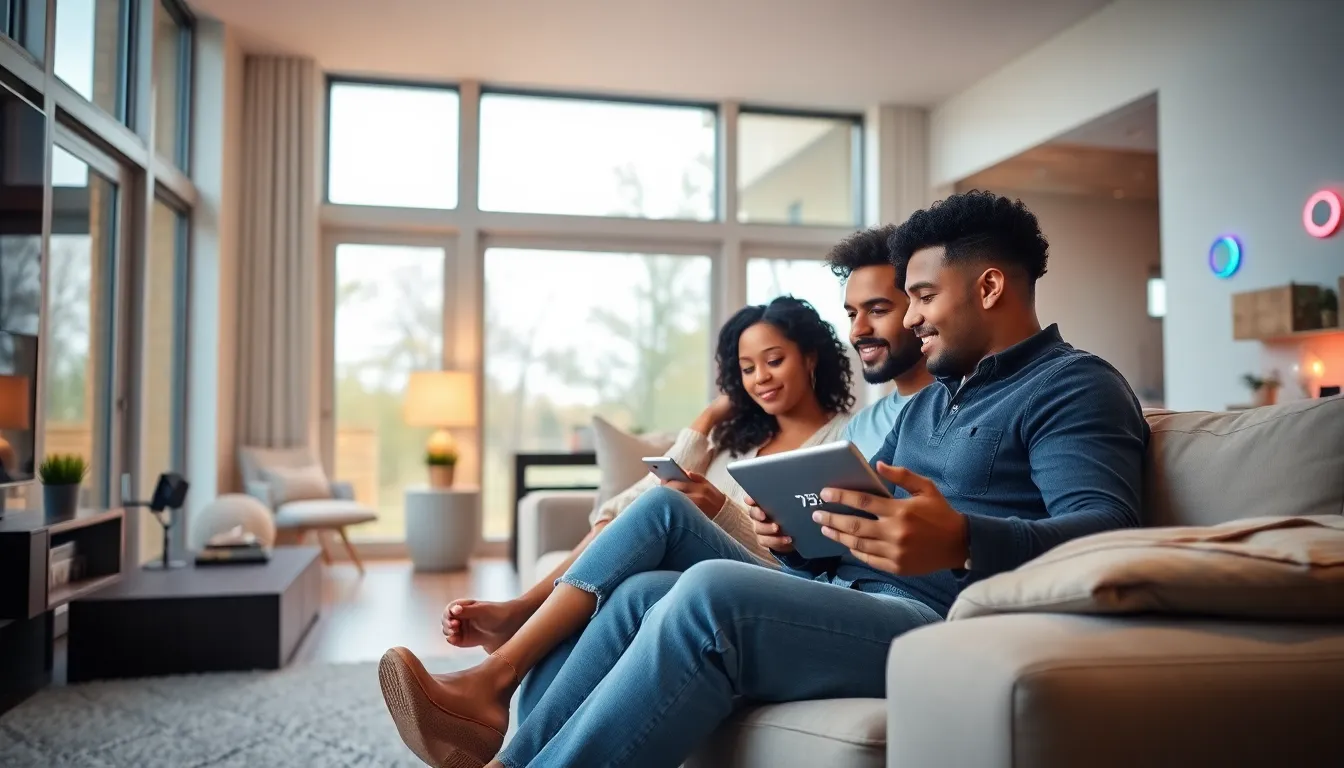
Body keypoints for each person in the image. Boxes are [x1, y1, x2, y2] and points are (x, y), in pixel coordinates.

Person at [378, 191, 1150, 768]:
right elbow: (866, 538)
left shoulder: (1073, 387)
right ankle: (502, 732)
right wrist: (807, 541)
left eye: (921, 297)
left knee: (712, 593)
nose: (911, 320)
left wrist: (964, 540)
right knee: (648, 579)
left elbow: (1108, 537)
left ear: (987, 288)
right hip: (860, 599)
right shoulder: (926, 408)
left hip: (948, 627)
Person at [438, 295, 856, 656]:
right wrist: (708, 418)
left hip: (758, 582)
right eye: (746, 369)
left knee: (651, 520)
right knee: (630, 540)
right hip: (681, 561)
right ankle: (518, 636)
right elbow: (635, 498)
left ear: (810, 357)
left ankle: (520, 616)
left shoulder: (842, 440)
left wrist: (720, 508)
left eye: (774, 361)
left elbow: (807, 563)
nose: (760, 378)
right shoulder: (737, 440)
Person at [826, 225, 935, 457]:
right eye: (852, 314)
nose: (857, 330)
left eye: (877, 310)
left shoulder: (967, 408)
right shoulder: (859, 427)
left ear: (920, 307)